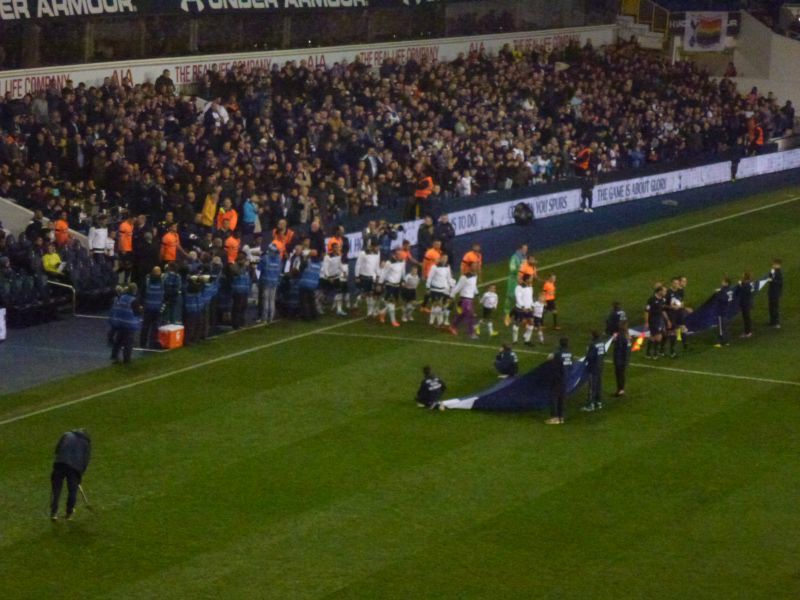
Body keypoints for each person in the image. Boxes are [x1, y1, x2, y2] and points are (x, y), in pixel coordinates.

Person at [50, 429, 92, 521]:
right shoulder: (86, 444)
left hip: (60, 463)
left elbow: (57, 449)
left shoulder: (66, 434)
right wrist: (79, 476)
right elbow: (85, 461)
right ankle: (69, 512)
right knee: (72, 491)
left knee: (56, 489)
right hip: (75, 468)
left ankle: (54, 512)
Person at [109, 283, 142, 363]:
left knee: (118, 340)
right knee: (128, 343)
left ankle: (114, 355)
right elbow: (137, 312)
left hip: (120, 322)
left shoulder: (122, 297)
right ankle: (126, 359)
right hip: (129, 324)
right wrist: (141, 309)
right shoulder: (134, 300)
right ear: (134, 291)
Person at [546, 337, 573, 425]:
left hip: (557, 378)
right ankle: (561, 417)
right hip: (566, 378)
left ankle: (554, 418)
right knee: (562, 398)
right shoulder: (569, 353)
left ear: (560, 344)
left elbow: (549, 359)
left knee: (554, 397)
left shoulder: (557, 353)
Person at [378, 248, 406, 326]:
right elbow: (383, 273)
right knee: (391, 303)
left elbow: (403, 271)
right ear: (395, 255)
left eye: (401, 255)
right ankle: (393, 321)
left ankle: (382, 313)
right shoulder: (389, 263)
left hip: (397, 285)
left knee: (393, 303)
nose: (401, 256)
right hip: (390, 285)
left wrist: (403, 280)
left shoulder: (402, 262)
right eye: (399, 255)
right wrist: (380, 284)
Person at [449, 267, 478, 338]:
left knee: (462, 315)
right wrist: (451, 296)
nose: (476, 267)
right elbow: (458, 287)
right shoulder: (464, 277)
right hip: (465, 300)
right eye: (473, 265)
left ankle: (452, 326)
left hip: (470, 299)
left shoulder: (475, 276)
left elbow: (473, 286)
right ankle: (471, 333)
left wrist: (477, 293)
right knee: (470, 316)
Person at [258, 243, 283, 324]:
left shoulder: (265, 258)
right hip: (275, 282)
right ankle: (271, 317)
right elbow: (279, 271)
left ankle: (264, 318)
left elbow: (259, 268)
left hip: (266, 281)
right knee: (272, 300)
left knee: (265, 300)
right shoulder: (279, 259)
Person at [140, 266, 164, 349]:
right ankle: (152, 343)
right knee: (155, 327)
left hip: (148, 307)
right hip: (157, 308)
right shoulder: (162, 282)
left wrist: (142, 304)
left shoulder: (147, 281)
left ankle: (142, 342)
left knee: (145, 326)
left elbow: (142, 294)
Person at [581, 331, 605, 412]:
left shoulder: (593, 344)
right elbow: (604, 353)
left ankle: (590, 405)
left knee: (592, 386)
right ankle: (598, 402)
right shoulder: (602, 343)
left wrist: (587, 351)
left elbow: (589, 357)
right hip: (600, 367)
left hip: (593, 368)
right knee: (598, 385)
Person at [504, 243, 528, 322]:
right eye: (524, 249)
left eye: (526, 249)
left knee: (522, 297)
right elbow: (512, 269)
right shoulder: (514, 258)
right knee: (510, 297)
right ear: (520, 249)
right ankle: (507, 314)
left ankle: (521, 315)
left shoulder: (525, 257)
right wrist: (520, 271)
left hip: (522, 280)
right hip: (513, 280)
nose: (526, 251)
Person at [644, 286, 669, 359]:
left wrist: (667, 320)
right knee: (658, 337)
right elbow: (646, 311)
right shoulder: (651, 300)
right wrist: (646, 322)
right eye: (664, 291)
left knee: (653, 337)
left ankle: (648, 353)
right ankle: (655, 353)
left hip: (660, 319)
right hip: (653, 320)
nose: (665, 293)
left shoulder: (663, 300)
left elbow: (662, 310)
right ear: (659, 291)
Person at [512, 274, 534, 345]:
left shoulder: (530, 287)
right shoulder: (519, 287)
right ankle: (515, 340)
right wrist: (523, 307)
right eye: (530, 278)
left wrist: (532, 305)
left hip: (529, 308)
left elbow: (530, 297)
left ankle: (527, 340)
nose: (531, 279)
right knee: (518, 323)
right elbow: (518, 298)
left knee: (531, 323)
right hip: (521, 309)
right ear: (527, 280)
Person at [714, 277, 735, 348]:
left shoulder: (723, 292)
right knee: (726, 327)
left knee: (721, 328)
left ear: (726, 283)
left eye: (723, 282)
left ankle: (720, 343)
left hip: (722, 312)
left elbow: (720, 300)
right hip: (728, 311)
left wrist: (718, 294)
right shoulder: (730, 290)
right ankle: (727, 341)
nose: (721, 283)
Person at [613, 323, 630, 397]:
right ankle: (621, 389)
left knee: (619, 375)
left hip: (619, 360)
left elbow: (619, 348)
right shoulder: (626, 337)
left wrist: (615, 340)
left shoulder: (620, 338)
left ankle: (620, 390)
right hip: (624, 359)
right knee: (622, 375)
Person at [737, 272, 756, 338]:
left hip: (746, 304)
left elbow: (743, 291)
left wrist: (740, 285)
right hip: (749, 302)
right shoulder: (750, 283)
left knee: (746, 318)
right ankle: (748, 331)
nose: (742, 275)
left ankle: (747, 332)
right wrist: (742, 284)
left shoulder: (746, 285)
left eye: (743, 275)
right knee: (747, 318)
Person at [768, 259, 783, 328]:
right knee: (771, 307)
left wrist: (772, 280)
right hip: (771, 292)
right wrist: (770, 274)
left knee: (775, 308)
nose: (773, 265)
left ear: (778, 265)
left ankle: (777, 323)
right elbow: (769, 279)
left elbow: (779, 283)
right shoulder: (773, 271)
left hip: (776, 293)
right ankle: (772, 321)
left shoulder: (779, 273)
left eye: (774, 264)